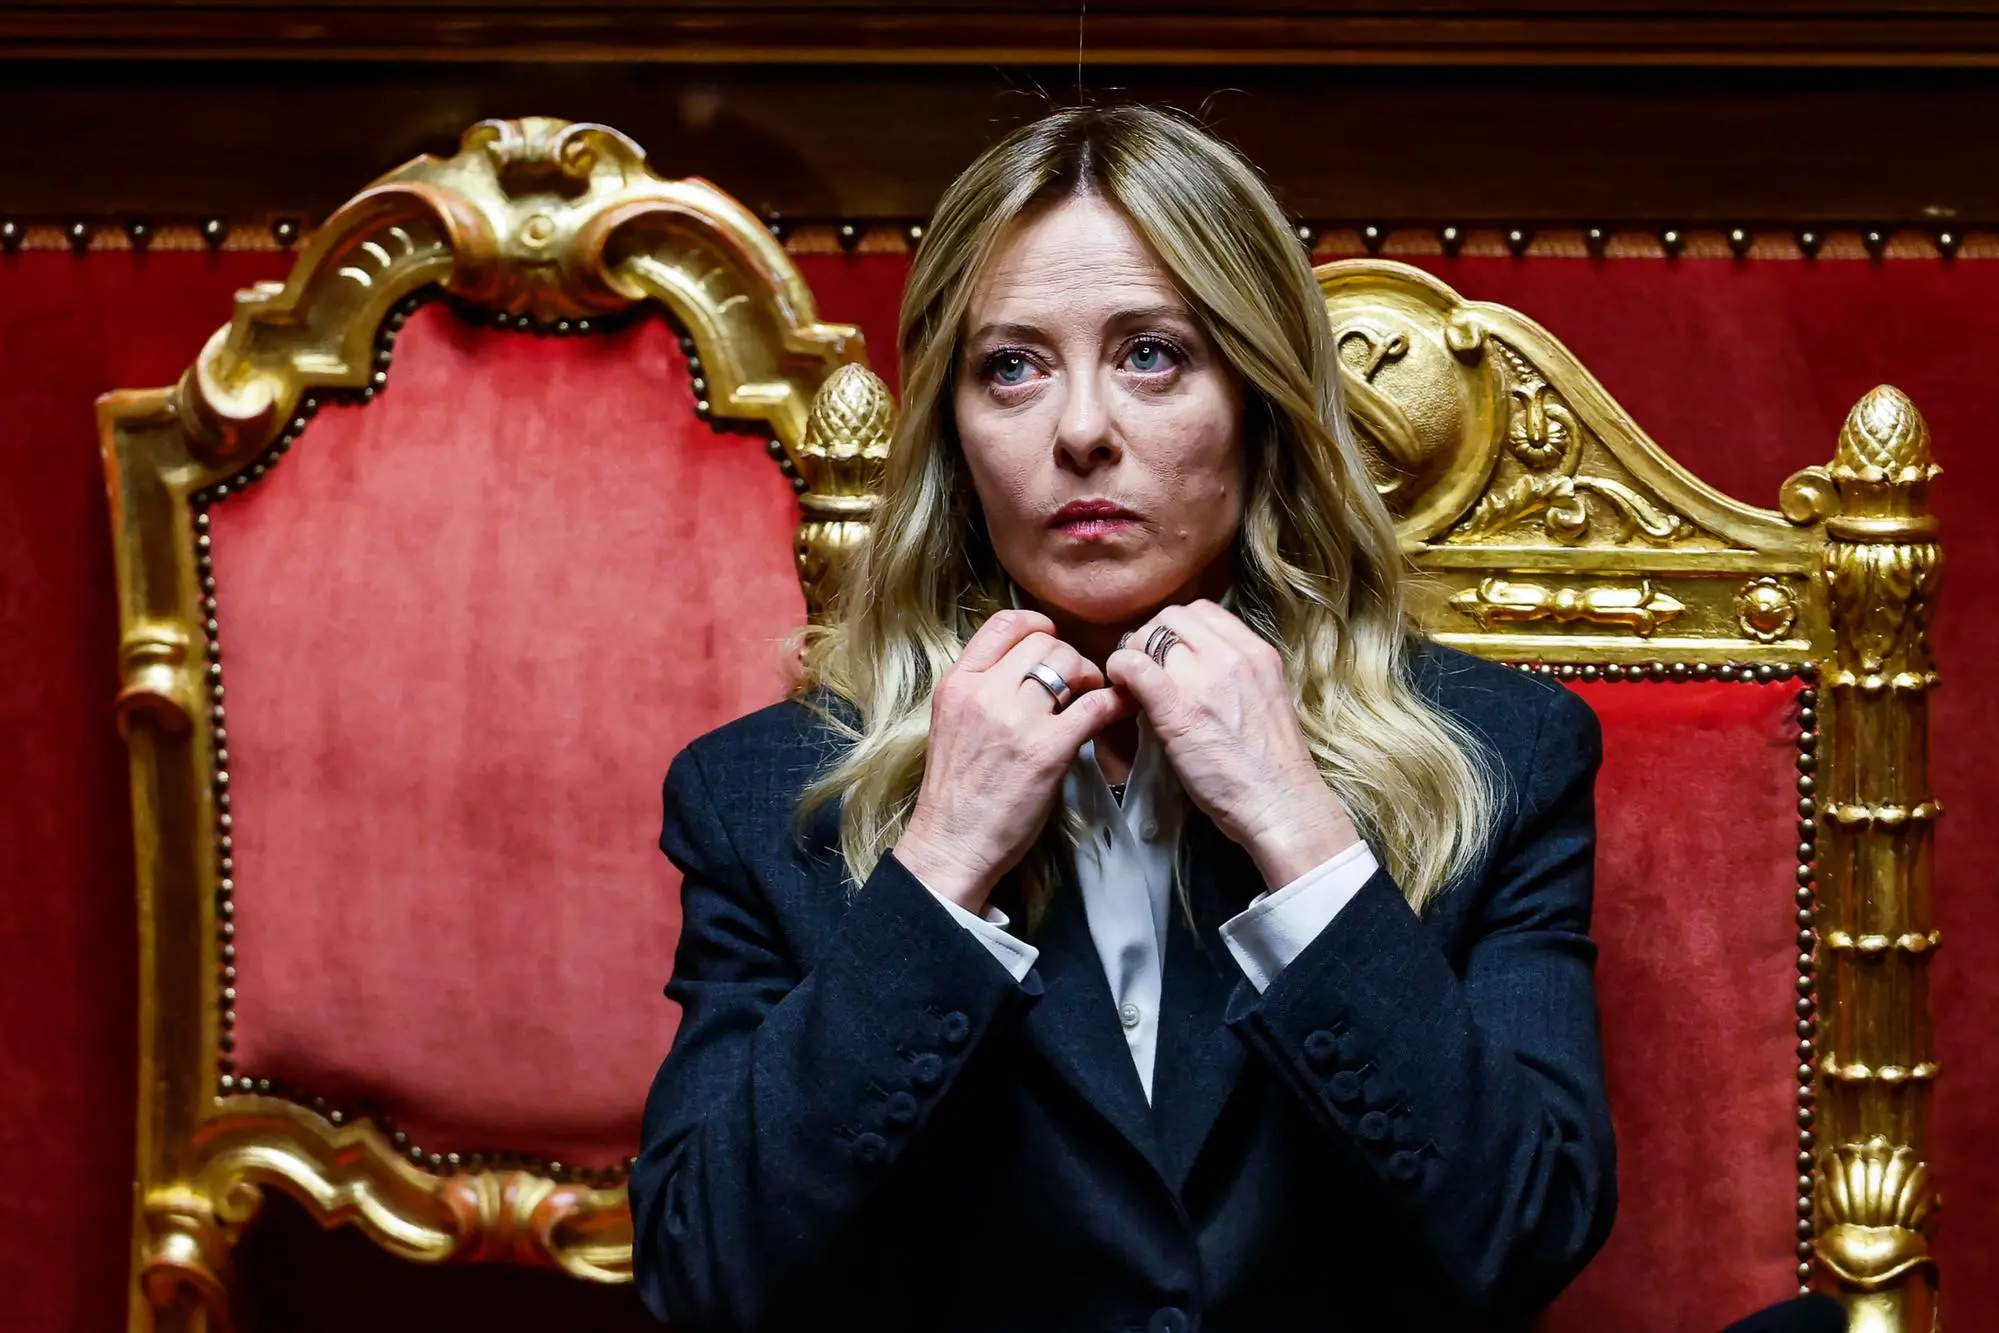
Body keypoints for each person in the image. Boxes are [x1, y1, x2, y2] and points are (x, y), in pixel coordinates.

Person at [629, 104, 1614, 1332]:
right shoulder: (758, 798)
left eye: (1151, 353)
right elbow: (704, 1275)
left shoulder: (1502, 756)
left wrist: (1298, 830)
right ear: (953, 432)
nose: (1081, 429)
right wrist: (937, 866)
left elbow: (1526, 1228)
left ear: (1256, 397)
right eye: (1012, 366)